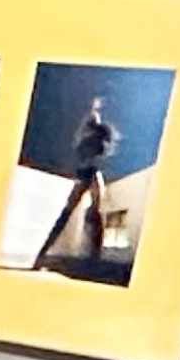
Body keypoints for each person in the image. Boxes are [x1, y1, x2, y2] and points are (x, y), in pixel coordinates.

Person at [35, 91, 122, 272]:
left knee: (88, 212)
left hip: (88, 172)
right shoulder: (88, 139)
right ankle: (43, 253)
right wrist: (94, 109)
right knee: (77, 212)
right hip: (87, 173)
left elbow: (93, 128)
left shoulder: (91, 139)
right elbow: (92, 123)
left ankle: (91, 256)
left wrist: (94, 109)